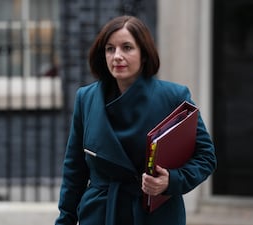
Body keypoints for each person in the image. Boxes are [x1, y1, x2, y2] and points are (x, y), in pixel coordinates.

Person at [55, 15, 216, 225]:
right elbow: (74, 170)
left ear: (144, 54)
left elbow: (206, 157)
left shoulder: (173, 97)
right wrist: (65, 220)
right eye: (110, 48)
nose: (117, 56)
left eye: (127, 47)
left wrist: (171, 181)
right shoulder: (86, 99)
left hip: (155, 216)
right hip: (100, 214)